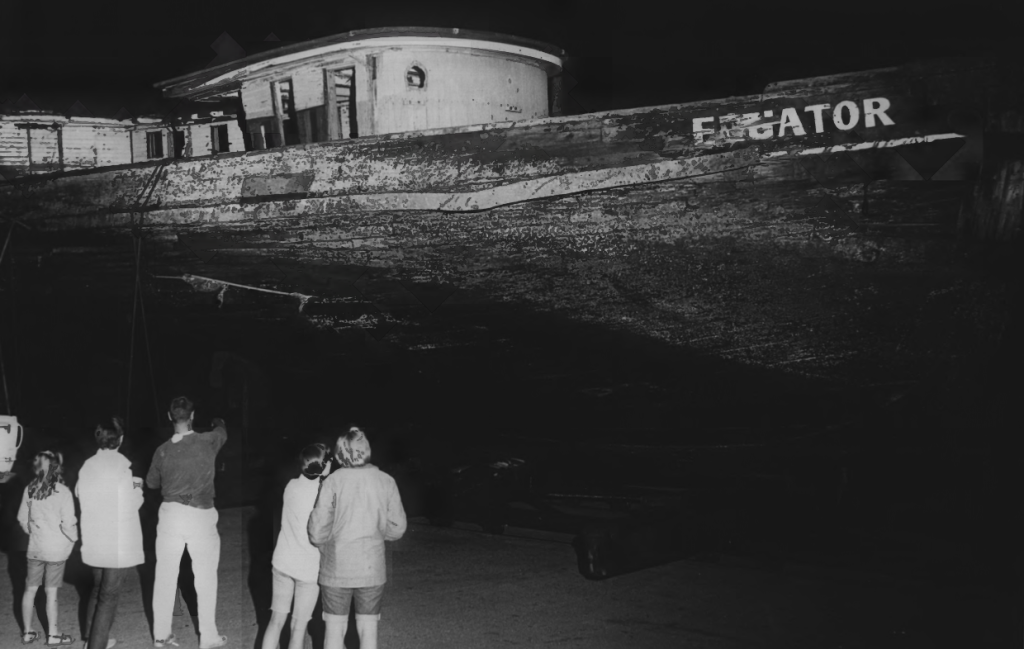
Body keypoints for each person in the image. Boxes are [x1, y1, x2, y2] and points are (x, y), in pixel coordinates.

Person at [308, 427, 407, 649]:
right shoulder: (386, 481)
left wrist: (324, 542)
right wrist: (379, 535)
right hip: (372, 569)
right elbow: (398, 527)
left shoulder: (333, 482)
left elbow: (317, 530)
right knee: (368, 630)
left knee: (334, 631)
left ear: (341, 453)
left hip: (336, 568)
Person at [146, 397, 228, 649]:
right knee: (204, 577)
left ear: (170, 417)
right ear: (192, 416)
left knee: (165, 576)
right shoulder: (208, 441)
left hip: (171, 515)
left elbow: (151, 483)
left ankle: (161, 635)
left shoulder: (162, 450)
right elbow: (222, 431)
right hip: (200, 516)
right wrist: (217, 421)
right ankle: (208, 637)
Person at [76, 418, 145, 649]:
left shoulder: (87, 465)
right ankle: (97, 645)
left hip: (95, 538)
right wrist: (137, 487)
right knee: (109, 596)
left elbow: (78, 492)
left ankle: (92, 637)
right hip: (116, 541)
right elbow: (131, 503)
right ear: (121, 439)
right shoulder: (121, 468)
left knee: (97, 589)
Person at [261, 443, 330, 649]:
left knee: (276, 621)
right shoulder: (323, 494)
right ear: (324, 466)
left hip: (282, 563)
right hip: (307, 569)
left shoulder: (291, 485)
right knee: (298, 628)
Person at [16, 450, 78, 646]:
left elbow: (21, 518)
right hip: (56, 549)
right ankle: (53, 635)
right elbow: (69, 523)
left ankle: (27, 633)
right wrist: (73, 539)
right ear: (56, 467)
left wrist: (32, 531)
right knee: (51, 593)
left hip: (36, 547)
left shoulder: (30, 489)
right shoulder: (63, 491)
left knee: (30, 589)